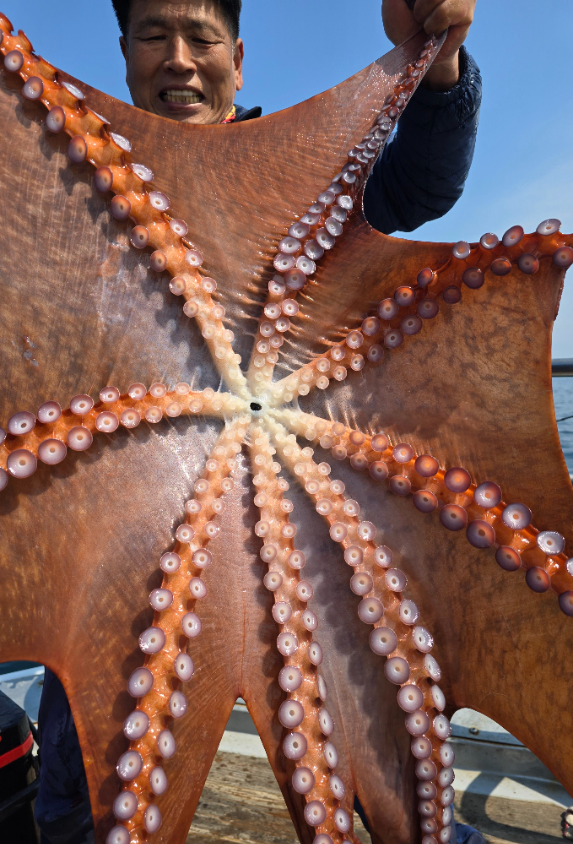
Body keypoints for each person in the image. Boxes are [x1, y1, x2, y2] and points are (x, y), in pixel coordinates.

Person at [35, 1, 482, 842]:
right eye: (154, 35)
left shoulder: (300, 171)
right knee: (85, 779)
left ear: (236, 59)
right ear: (124, 51)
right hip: (125, 530)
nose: (179, 58)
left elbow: (422, 183)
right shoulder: (82, 184)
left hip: (296, 512)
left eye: (200, 37)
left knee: (381, 762)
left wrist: (442, 63)